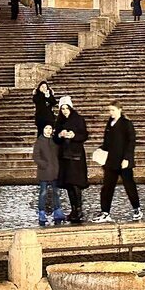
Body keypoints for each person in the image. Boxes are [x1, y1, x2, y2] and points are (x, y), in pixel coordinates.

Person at [94, 102, 142, 223]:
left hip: (123, 161)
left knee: (129, 186)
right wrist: (101, 150)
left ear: (120, 110)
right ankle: (105, 212)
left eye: (113, 110)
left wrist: (127, 158)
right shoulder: (109, 123)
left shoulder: (126, 124)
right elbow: (107, 142)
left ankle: (137, 209)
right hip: (111, 161)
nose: (111, 113)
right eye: (110, 110)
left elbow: (131, 142)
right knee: (107, 187)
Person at [54, 96, 90, 224]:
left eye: (66, 108)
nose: (64, 111)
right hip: (64, 155)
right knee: (68, 183)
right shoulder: (59, 121)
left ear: (70, 107)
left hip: (76, 155)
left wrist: (74, 136)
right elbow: (55, 139)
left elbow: (85, 135)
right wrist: (59, 135)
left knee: (75, 183)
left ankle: (79, 208)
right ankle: (73, 209)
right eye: (62, 109)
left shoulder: (78, 119)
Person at [32, 124, 63, 225]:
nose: (48, 130)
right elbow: (36, 156)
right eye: (46, 128)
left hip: (55, 170)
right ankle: (41, 212)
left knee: (56, 192)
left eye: (50, 128)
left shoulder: (55, 141)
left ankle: (57, 211)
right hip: (44, 171)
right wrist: (43, 164)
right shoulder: (39, 141)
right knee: (43, 192)